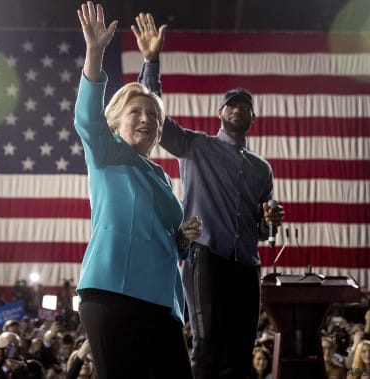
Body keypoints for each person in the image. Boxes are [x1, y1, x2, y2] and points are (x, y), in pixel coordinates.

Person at [131, 12, 284, 379]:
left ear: (252, 118)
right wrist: (151, 62)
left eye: (245, 105)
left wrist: (271, 220)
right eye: (232, 103)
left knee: (240, 352)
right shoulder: (197, 146)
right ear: (220, 113)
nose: (238, 108)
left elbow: (263, 232)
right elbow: (157, 122)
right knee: (208, 345)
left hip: (246, 264)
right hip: (206, 257)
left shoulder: (262, 169)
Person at [74, 3, 202, 379]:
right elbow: (86, 116)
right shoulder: (106, 153)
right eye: (136, 112)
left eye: (153, 116)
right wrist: (95, 51)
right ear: (115, 120)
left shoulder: (162, 178)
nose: (146, 119)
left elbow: (173, 245)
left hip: (163, 304)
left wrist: (183, 237)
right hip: (113, 294)